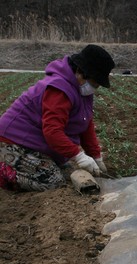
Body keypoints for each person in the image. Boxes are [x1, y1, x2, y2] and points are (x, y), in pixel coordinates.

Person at [0, 44, 115, 191]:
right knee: (53, 182)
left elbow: (85, 123)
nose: (94, 87)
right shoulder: (59, 88)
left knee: (70, 174)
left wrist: (96, 156)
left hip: (38, 145)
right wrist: (78, 155)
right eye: (94, 83)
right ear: (80, 72)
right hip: (14, 142)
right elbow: (52, 131)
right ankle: (5, 173)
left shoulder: (82, 91)